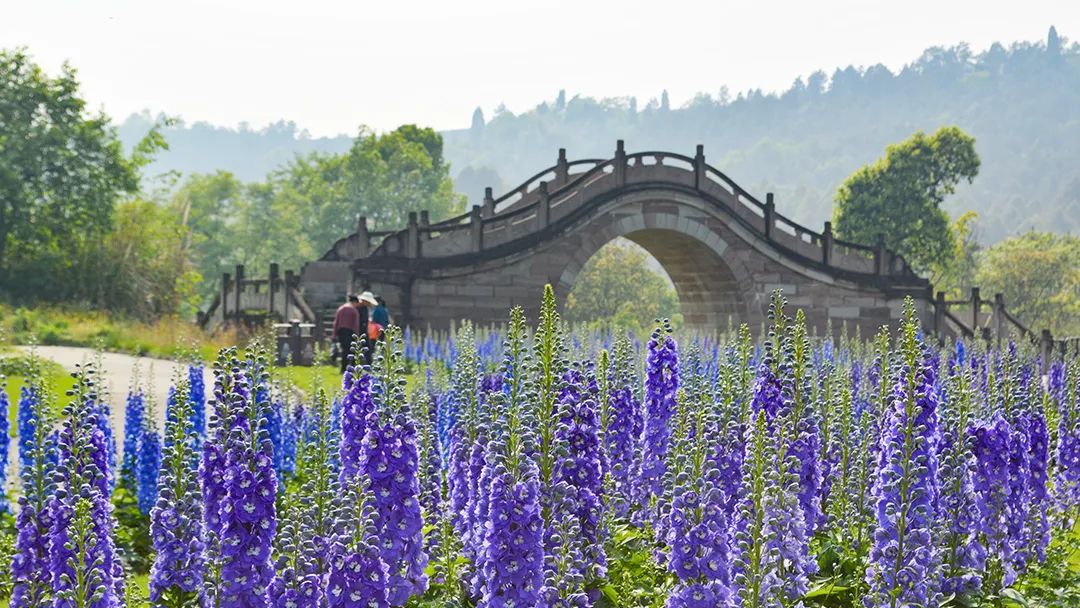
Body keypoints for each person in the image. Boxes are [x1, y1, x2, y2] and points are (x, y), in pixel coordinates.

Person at [332, 294, 362, 372]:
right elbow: (356, 324)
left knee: (344, 350)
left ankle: (343, 368)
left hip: (341, 331)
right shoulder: (354, 310)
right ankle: (347, 368)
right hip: (350, 332)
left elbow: (336, 322)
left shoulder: (341, 309)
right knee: (349, 351)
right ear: (355, 302)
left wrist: (334, 335)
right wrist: (357, 336)